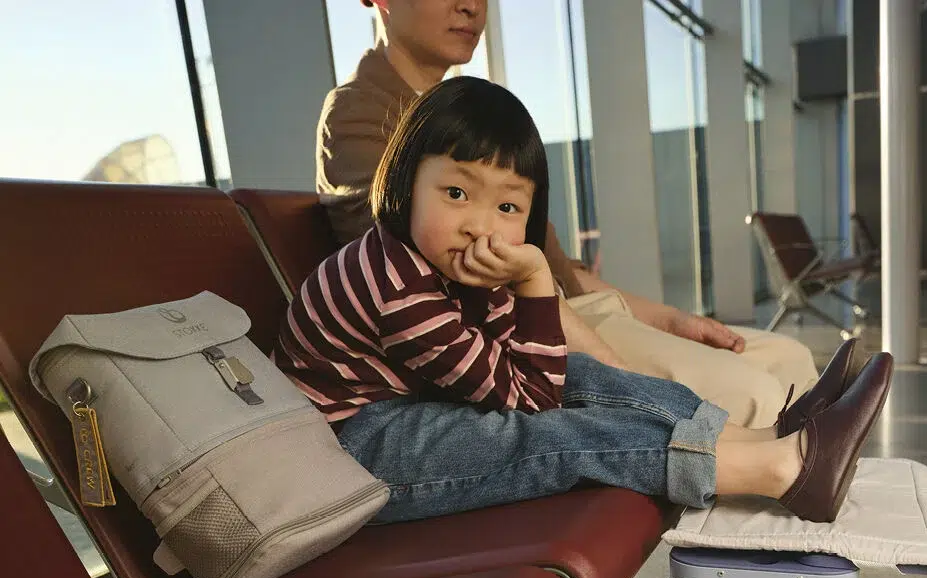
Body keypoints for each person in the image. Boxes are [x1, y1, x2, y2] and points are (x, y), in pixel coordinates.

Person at [281, 77, 891, 529]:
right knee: (545, 437)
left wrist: (520, 292)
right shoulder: (394, 282)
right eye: (457, 192)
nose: (479, 226)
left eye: (507, 207)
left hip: (407, 406)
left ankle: (769, 435)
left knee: (588, 376)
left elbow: (542, 373)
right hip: (352, 450)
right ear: (404, 180)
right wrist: (534, 283)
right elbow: (532, 400)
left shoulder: (460, 266)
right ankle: (786, 472)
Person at [314, 0, 828, 428]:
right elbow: (462, 281)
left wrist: (672, 319)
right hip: (520, 334)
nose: (472, 6)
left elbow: (567, 277)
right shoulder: (361, 115)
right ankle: (770, 527)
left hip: (563, 310)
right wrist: (629, 383)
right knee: (756, 398)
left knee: (790, 359)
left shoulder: (469, 122)